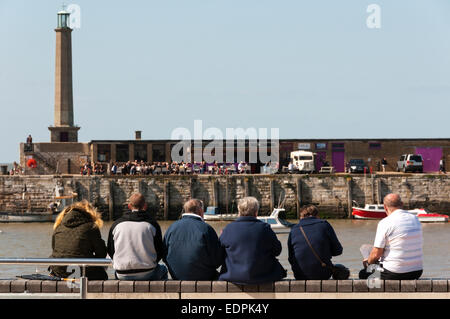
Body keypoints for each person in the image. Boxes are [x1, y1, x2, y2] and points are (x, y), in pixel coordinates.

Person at [218, 196, 286, 284]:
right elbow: (277, 251)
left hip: (233, 276)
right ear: (256, 212)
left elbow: (219, 254)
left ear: (239, 211)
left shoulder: (228, 229)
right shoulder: (264, 228)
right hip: (263, 276)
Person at [359, 194, 423, 280]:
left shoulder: (385, 222)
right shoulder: (415, 219)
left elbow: (376, 254)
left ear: (385, 207)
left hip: (394, 273)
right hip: (417, 272)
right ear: (402, 204)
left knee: (363, 274)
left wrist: (368, 263)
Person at [107, 193, 168, 280]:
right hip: (147, 271)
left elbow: (111, 250)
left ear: (129, 206)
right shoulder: (152, 225)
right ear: (145, 206)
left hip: (122, 273)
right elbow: (159, 250)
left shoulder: (117, 225)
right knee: (163, 270)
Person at [163, 199, 224, 280]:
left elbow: (164, 255)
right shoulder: (206, 228)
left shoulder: (172, 227)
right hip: (204, 277)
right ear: (200, 210)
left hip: (176, 276)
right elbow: (217, 260)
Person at [49, 200, 108, 280]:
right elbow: (101, 253)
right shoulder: (91, 227)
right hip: (83, 271)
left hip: (59, 270)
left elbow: (54, 248)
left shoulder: (59, 226)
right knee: (102, 271)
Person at [287, 205, 347, 280]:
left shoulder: (294, 229)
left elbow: (291, 257)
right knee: (341, 268)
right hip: (323, 274)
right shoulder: (324, 224)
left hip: (300, 275)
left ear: (301, 216)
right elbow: (338, 251)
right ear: (317, 215)